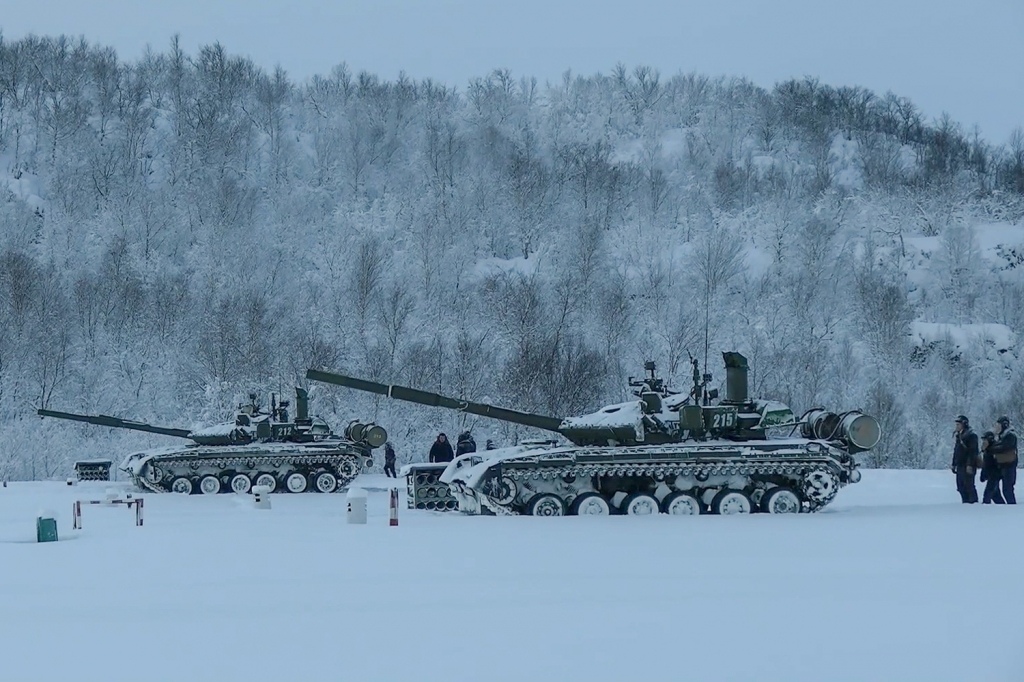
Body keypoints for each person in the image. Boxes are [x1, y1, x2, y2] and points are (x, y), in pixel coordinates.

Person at [986, 415, 1017, 504]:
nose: (996, 427)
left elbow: (1004, 447)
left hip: (1009, 465)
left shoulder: (1010, 435)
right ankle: (1002, 506)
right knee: (995, 489)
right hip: (1001, 465)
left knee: (1007, 490)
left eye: (998, 425)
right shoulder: (1001, 436)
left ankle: (1011, 507)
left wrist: (990, 448)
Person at [950, 415, 979, 504]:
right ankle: (965, 503)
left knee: (969, 485)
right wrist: (954, 463)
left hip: (968, 465)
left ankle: (973, 503)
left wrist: (970, 464)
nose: (957, 426)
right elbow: (956, 451)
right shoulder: (959, 436)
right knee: (960, 486)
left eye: (958, 424)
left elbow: (973, 452)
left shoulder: (971, 436)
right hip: (960, 465)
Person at [979, 431, 1005, 504]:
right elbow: (985, 465)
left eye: (985, 440)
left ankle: (986, 509)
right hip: (991, 476)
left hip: (994, 476)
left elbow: (995, 464)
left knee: (988, 493)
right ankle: (1003, 508)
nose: (983, 442)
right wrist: (983, 475)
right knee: (995, 495)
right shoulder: (987, 451)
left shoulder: (994, 450)